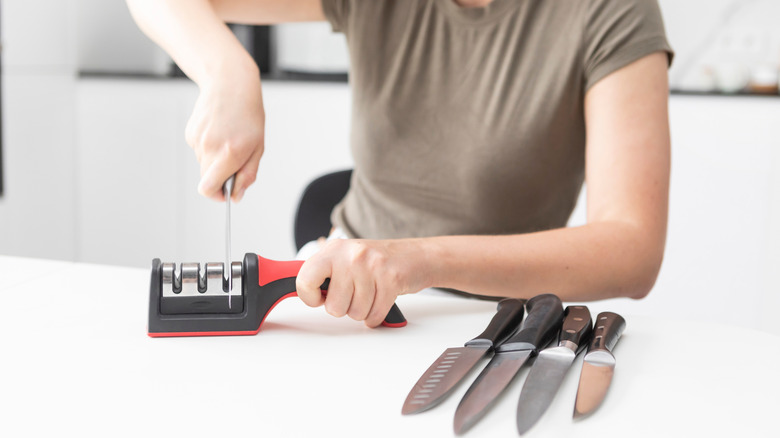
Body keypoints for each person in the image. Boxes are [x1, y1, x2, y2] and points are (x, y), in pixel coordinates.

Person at [127, 0, 673, 328]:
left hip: (499, 324)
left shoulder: (610, 10)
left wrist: (416, 260)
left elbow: (632, 248)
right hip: (340, 299)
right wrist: (226, 71)